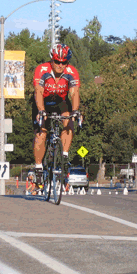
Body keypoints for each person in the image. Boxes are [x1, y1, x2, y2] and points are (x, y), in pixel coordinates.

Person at [32, 44, 81, 184]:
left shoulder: (71, 71)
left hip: (61, 100)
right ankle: (39, 167)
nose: (60, 65)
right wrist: (41, 111)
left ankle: (64, 156)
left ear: (67, 62)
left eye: (63, 62)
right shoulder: (42, 69)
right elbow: (38, 92)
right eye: (57, 61)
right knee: (41, 132)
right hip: (43, 101)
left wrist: (76, 111)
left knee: (69, 118)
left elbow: (74, 93)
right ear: (51, 60)